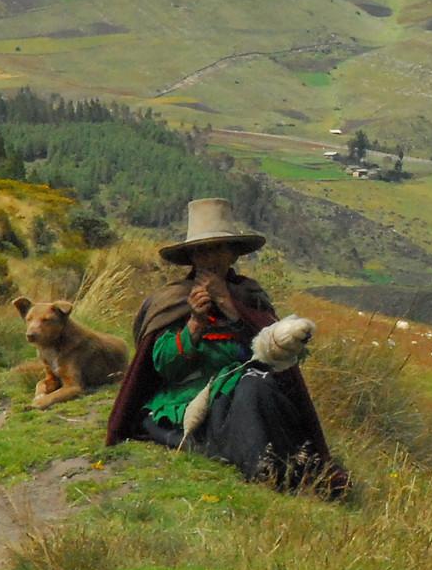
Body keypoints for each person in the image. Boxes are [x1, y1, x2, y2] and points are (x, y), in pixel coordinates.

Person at [105, 198, 346, 494]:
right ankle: (264, 471)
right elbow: (165, 366)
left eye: (219, 249)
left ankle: (276, 468)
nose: (210, 258)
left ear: (232, 255)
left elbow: (276, 355)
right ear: (191, 257)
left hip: (250, 393)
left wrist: (230, 307)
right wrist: (195, 323)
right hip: (192, 400)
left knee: (255, 389)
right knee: (244, 398)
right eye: (202, 251)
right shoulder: (171, 301)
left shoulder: (250, 297)